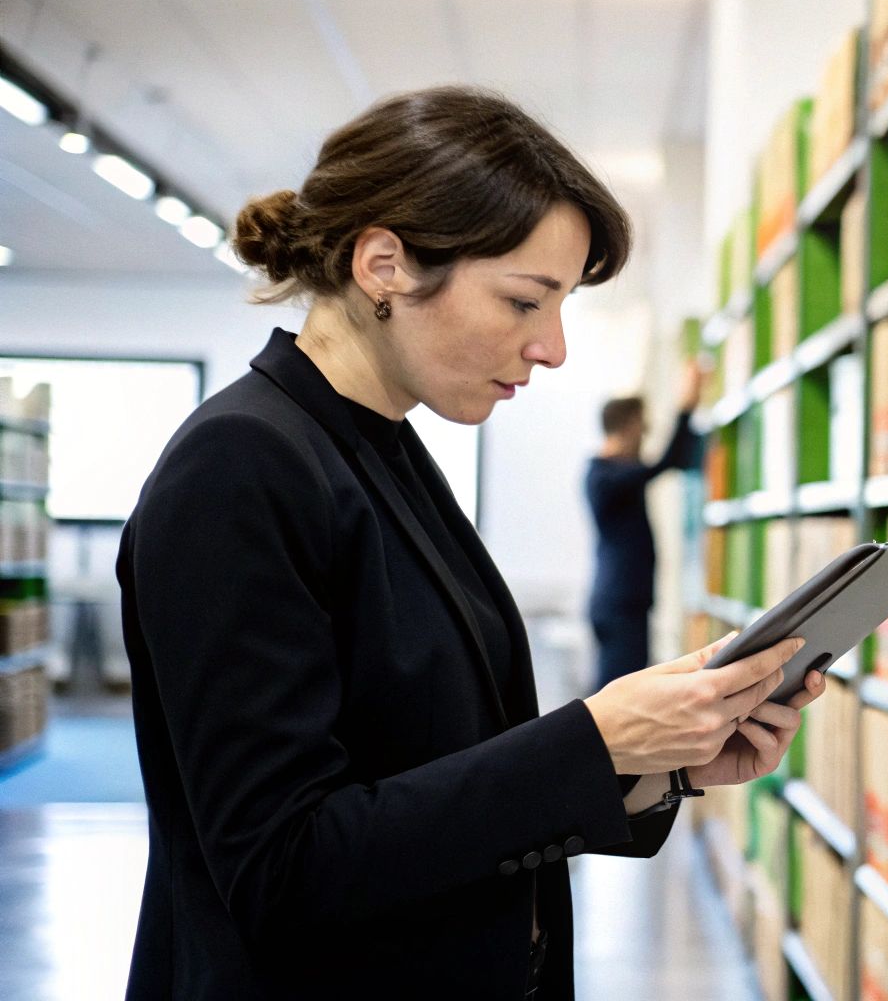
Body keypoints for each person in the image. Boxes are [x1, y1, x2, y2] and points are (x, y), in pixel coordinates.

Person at [114, 86, 824, 1000]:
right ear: (385, 265)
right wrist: (593, 742)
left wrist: (655, 760)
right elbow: (280, 865)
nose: (554, 348)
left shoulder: (381, 443)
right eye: (526, 301)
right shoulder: (241, 466)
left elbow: (432, 764)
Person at [587, 371, 703, 688]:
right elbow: (665, 463)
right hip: (620, 605)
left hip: (625, 602)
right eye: (643, 426)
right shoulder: (604, 478)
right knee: (621, 693)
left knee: (625, 686)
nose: (645, 434)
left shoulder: (611, 474)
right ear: (629, 426)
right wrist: (686, 406)